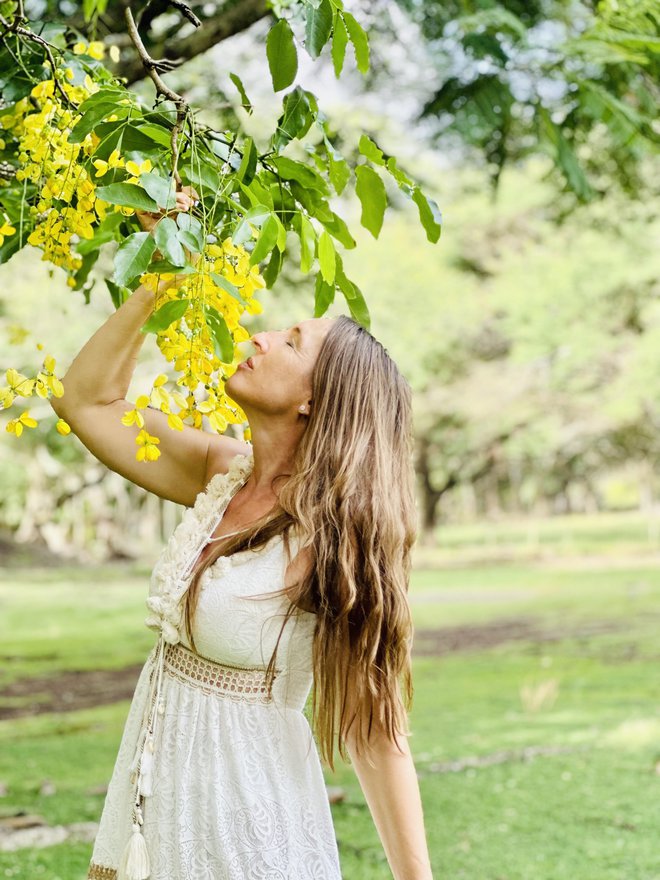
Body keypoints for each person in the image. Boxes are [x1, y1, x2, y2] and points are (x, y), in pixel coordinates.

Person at [50, 187, 434, 880]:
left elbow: (376, 733)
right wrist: (162, 268)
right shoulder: (221, 471)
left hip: (248, 834)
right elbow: (87, 401)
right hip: (155, 813)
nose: (259, 335)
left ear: (318, 400)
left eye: (292, 343)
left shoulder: (335, 538)